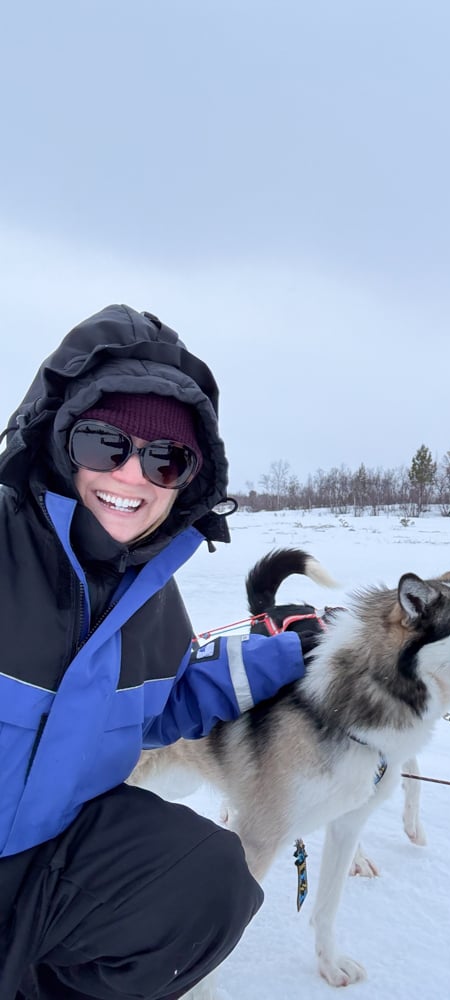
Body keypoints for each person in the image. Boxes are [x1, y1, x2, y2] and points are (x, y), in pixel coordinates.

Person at [0, 305, 309, 999]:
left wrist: (288, 652)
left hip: (44, 861)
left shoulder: (152, 601)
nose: (133, 475)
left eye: (166, 458)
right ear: (57, 442)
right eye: (104, 444)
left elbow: (162, 705)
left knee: (209, 879)